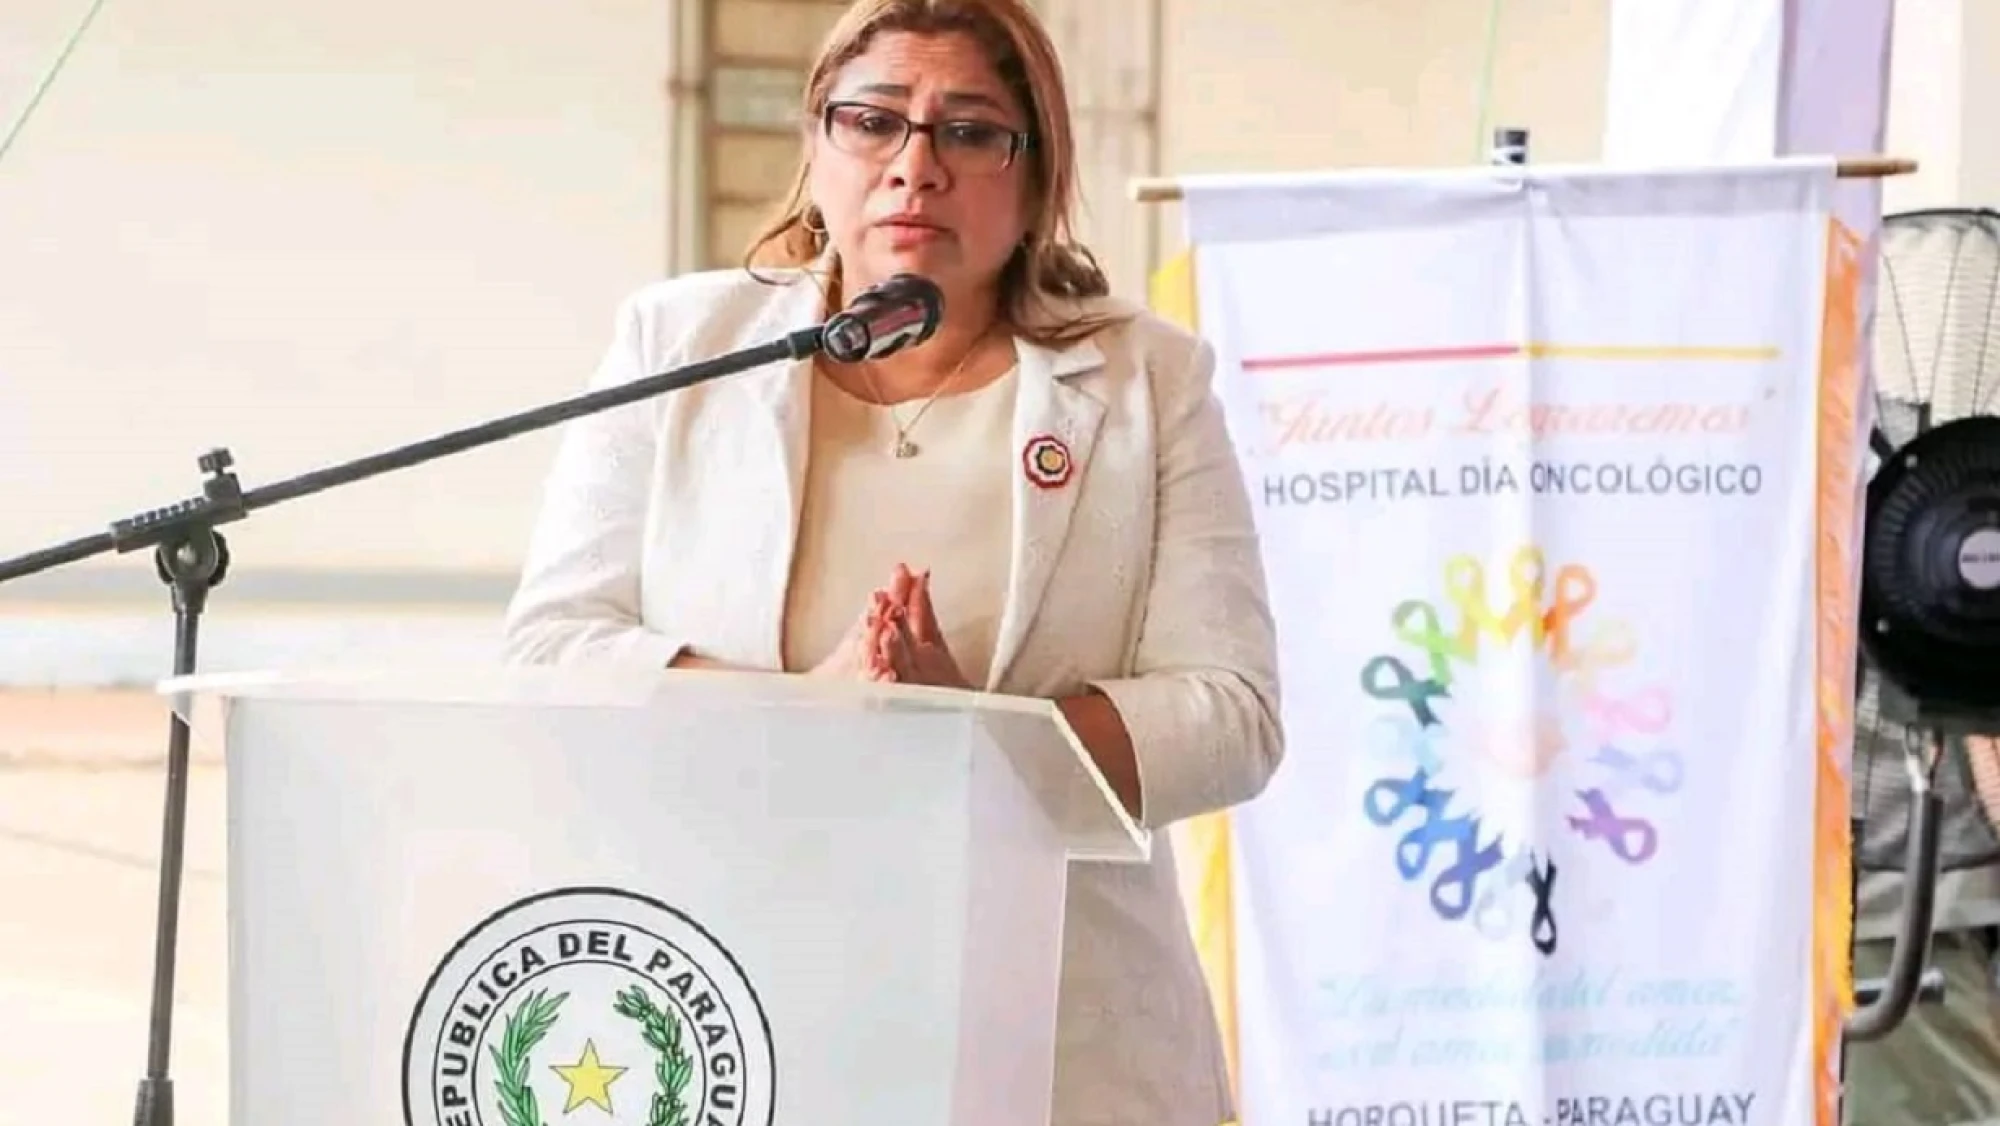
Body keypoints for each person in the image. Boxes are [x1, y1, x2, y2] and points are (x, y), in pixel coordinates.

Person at [499, 0, 1284, 1122]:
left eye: (969, 131)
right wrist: (809, 712)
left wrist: (979, 737)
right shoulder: (680, 347)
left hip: (1064, 1027)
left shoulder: (1146, 381)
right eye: (872, 122)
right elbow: (549, 651)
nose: (915, 166)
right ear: (816, 149)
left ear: (1036, 177)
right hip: (738, 988)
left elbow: (1231, 714)